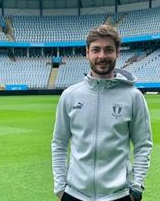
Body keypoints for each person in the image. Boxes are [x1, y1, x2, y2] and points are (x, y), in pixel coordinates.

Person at [52, 25, 153, 201]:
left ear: (117, 53)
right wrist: (60, 188)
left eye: (108, 50)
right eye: (96, 50)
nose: (102, 56)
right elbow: (59, 143)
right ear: (87, 53)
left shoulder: (133, 96)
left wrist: (136, 188)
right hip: (74, 194)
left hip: (118, 195)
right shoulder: (70, 95)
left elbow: (143, 145)